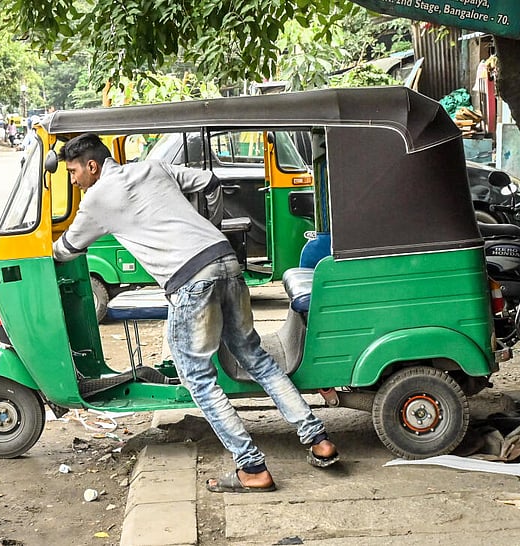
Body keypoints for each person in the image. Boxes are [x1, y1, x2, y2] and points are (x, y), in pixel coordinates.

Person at [52, 134, 339, 493]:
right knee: (258, 360)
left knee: (199, 381)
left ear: (91, 165)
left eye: (74, 171)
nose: (74, 179)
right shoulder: (152, 168)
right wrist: (209, 224)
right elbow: (208, 181)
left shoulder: (96, 199)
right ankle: (318, 439)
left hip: (190, 282)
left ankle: (251, 467)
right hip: (225, 260)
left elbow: (65, 250)